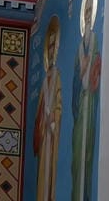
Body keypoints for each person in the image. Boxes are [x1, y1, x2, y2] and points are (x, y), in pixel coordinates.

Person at [69, 0, 101, 201]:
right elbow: (74, 81)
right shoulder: (80, 47)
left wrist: (92, 67)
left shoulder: (96, 41)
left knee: (89, 154)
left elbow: (97, 69)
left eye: (91, 11)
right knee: (78, 154)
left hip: (91, 103)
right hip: (82, 104)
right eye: (86, 11)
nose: (88, 15)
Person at [32, 16, 64, 201]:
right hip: (45, 134)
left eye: (54, 47)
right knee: (43, 173)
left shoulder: (57, 76)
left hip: (53, 135)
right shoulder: (44, 82)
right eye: (49, 47)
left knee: (51, 172)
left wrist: (55, 115)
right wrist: (43, 121)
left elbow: (59, 102)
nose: (51, 51)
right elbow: (38, 114)